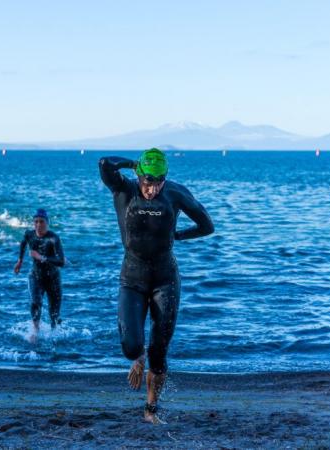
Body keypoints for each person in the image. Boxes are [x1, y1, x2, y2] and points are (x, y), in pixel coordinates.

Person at [99, 148, 214, 424]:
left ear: (164, 179)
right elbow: (104, 164)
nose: (151, 189)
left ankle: (150, 409)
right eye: (147, 182)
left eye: (157, 183)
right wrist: (131, 164)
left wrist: (179, 235)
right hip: (132, 279)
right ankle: (136, 359)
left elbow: (207, 225)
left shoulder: (175, 194)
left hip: (165, 280)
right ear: (138, 176)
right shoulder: (124, 189)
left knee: (159, 352)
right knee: (131, 346)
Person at [13, 209, 65, 342]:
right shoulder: (29, 234)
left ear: (47, 223)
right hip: (36, 276)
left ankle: (55, 336)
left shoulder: (53, 238)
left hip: (53, 278)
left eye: (41, 222)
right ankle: (35, 330)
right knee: (36, 302)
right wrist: (20, 260)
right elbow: (23, 242)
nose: (38, 225)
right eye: (36, 222)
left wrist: (41, 257)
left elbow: (61, 261)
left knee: (54, 314)